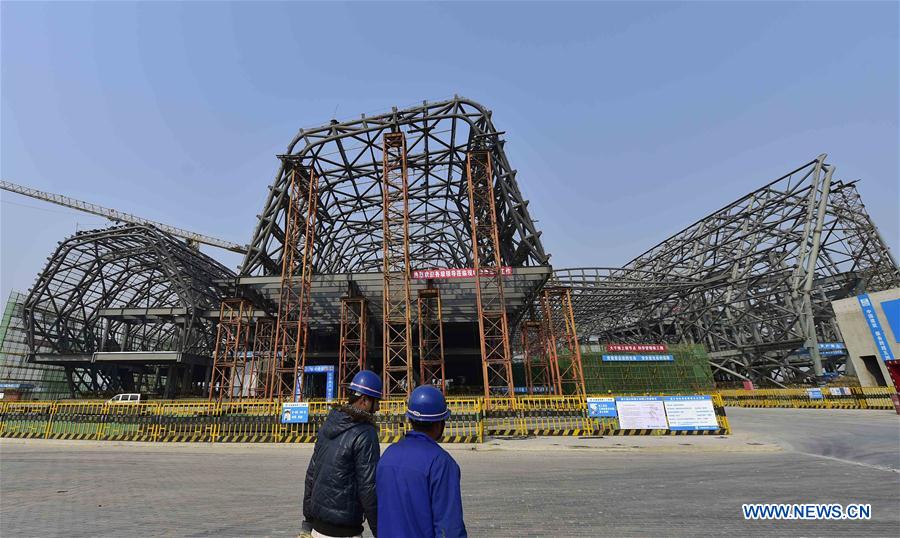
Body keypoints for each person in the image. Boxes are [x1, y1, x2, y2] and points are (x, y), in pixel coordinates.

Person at [376, 385, 467, 538]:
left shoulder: (388, 455)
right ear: (440, 424)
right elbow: (449, 527)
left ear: (411, 420)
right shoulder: (441, 463)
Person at [300, 370, 382, 538]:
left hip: (318, 529)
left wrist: (307, 522)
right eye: (377, 401)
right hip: (344, 532)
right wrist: (381, 531)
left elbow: (311, 475)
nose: (379, 407)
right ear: (364, 400)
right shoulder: (365, 434)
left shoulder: (328, 424)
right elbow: (369, 489)